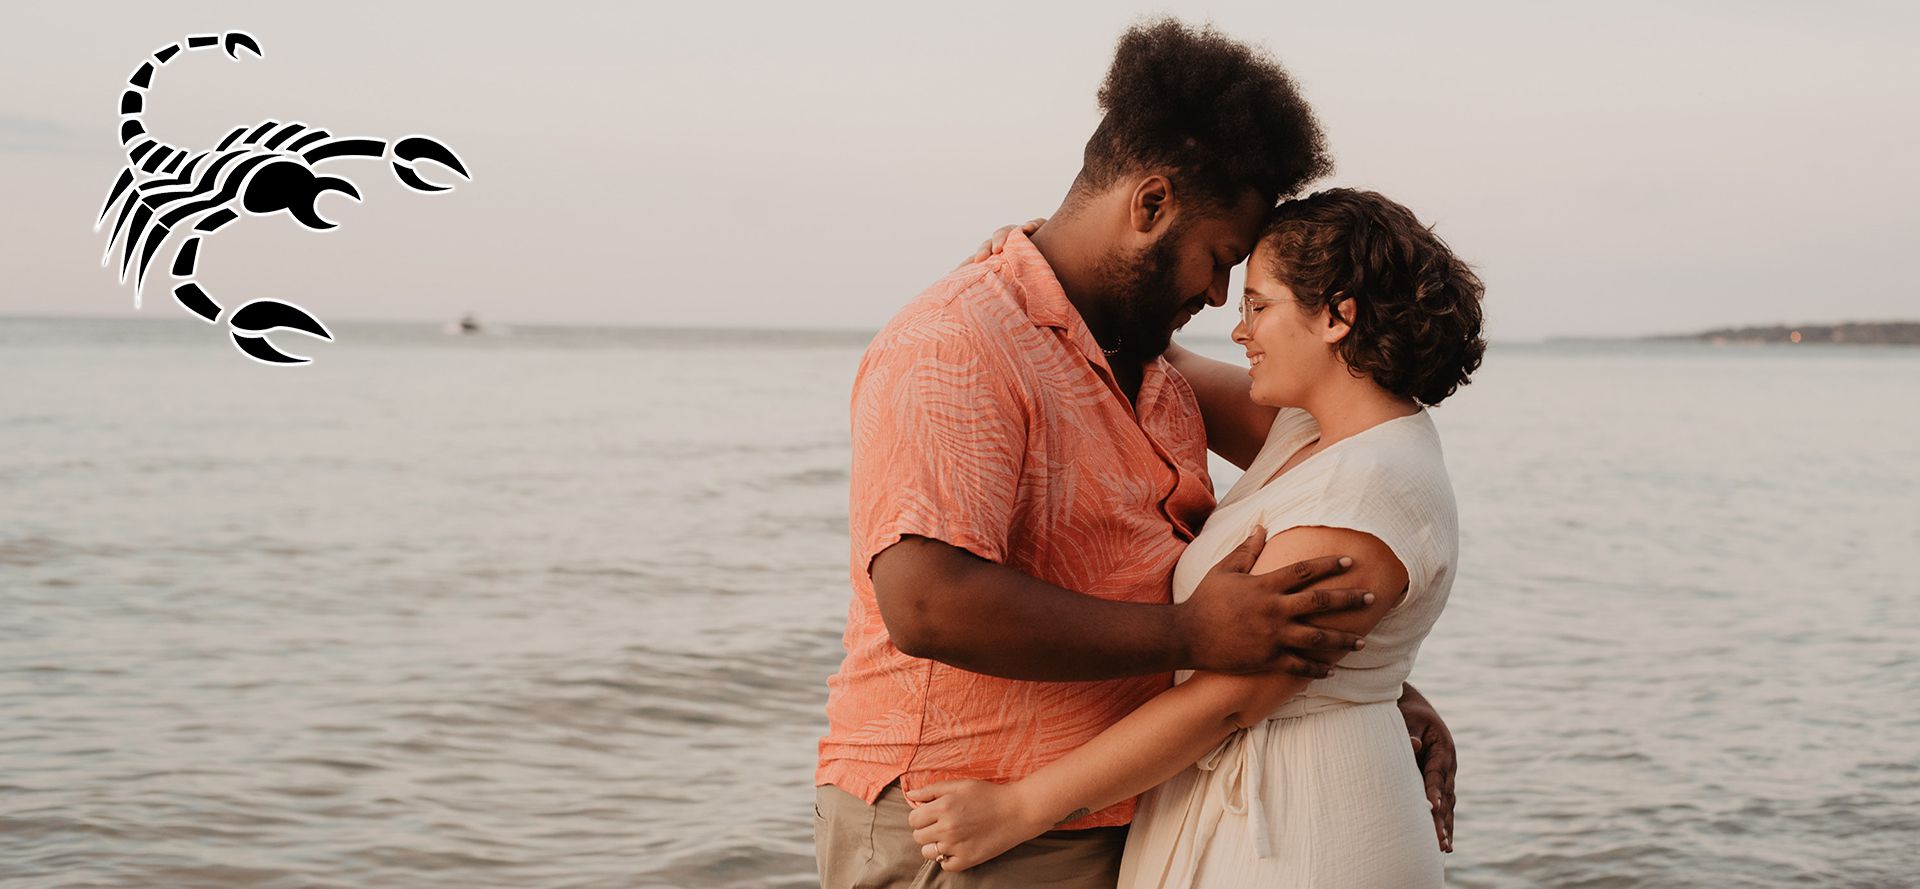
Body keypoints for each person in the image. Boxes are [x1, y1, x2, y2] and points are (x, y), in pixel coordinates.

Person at [816, 19, 1456, 888]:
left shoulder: (1150, 359)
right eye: (1221, 258)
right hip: (965, 812)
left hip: (1116, 801)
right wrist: (1192, 631)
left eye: (1249, 287)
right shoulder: (958, 340)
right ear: (1150, 205)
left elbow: (1354, 465)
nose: (1222, 298)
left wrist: (1371, 684)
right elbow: (926, 601)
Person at [903, 188, 1485, 888]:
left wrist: (1020, 807)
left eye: (1258, 306)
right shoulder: (1310, 433)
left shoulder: (1366, 484)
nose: (1239, 331)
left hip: (1303, 831)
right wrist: (1046, 269)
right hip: (1262, 805)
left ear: (1337, 317)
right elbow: (1153, 352)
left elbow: (1230, 697)